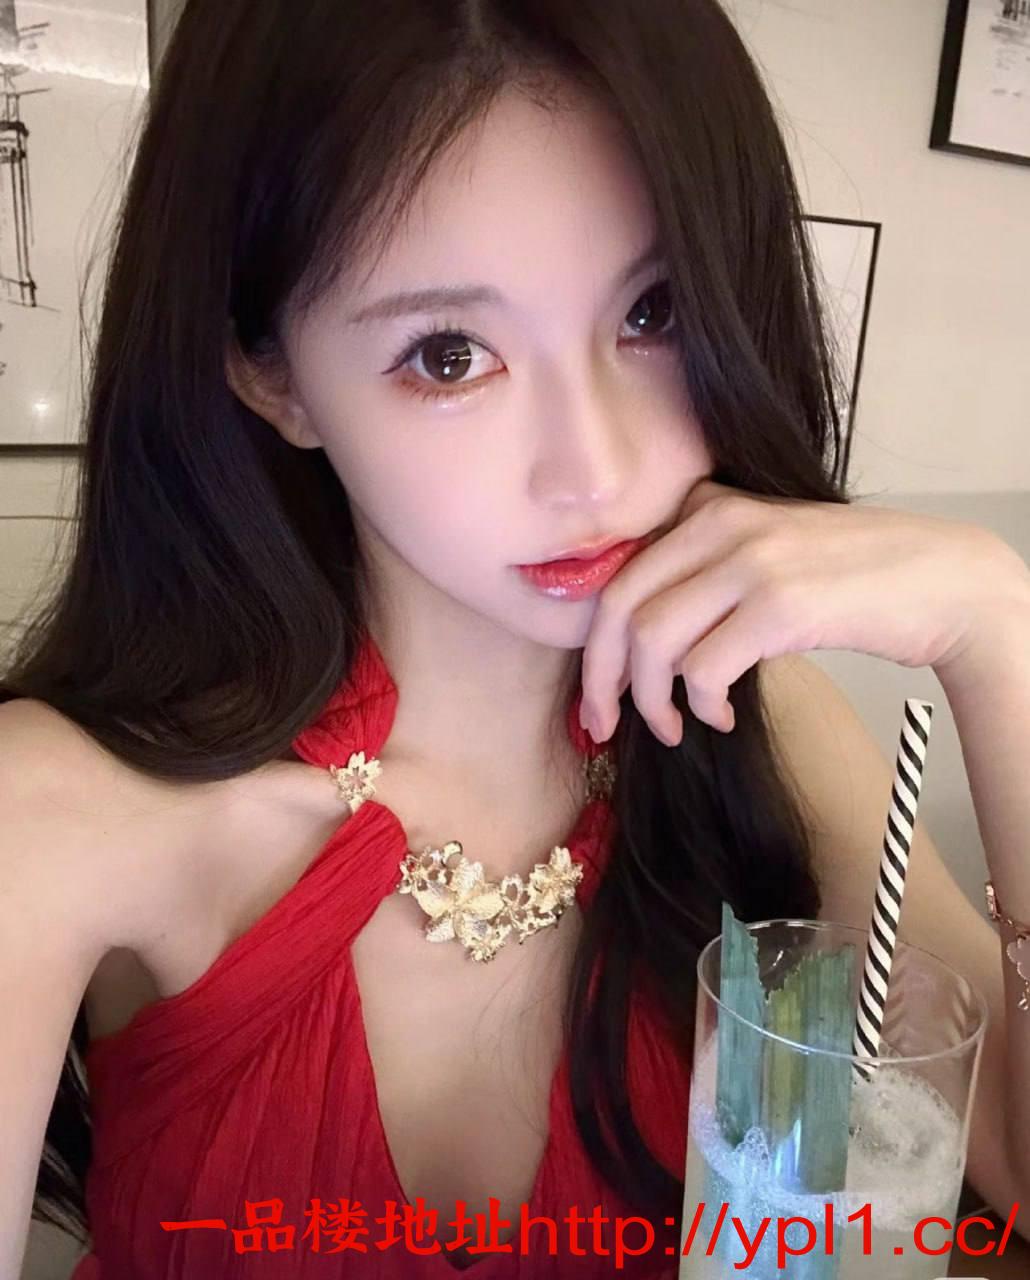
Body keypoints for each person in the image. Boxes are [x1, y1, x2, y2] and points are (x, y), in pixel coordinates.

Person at [3, 0, 1030, 1276]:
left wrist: (997, 629)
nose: (594, 468)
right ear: (272, 374)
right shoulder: (59, 810)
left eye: (653, 312)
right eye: (447, 354)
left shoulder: (760, 726)